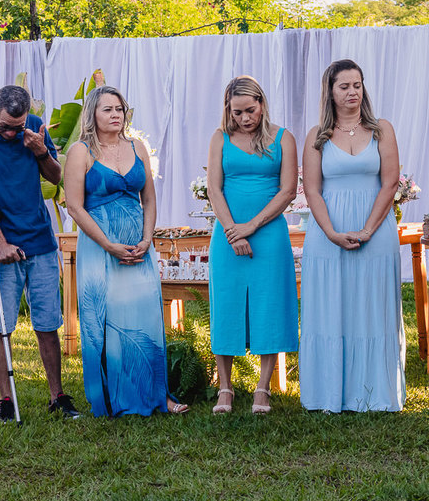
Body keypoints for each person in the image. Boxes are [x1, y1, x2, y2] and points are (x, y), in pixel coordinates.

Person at [0, 84, 83, 422]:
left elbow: (56, 178)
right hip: (0, 245)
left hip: (40, 241)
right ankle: (6, 399)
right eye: (5, 127)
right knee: (1, 326)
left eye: (18, 127)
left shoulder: (35, 126)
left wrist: (41, 150)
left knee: (48, 323)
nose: (11, 133)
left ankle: (57, 395)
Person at [63, 86, 185, 417]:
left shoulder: (137, 147)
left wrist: (147, 239)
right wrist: (107, 245)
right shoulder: (81, 151)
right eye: (108, 109)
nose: (116, 114)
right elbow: (74, 207)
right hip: (100, 248)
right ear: (93, 114)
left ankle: (158, 395)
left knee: (145, 318)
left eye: (119, 109)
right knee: (109, 320)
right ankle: (114, 397)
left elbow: (150, 199)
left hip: (139, 247)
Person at [299, 59, 406, 413]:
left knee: (372, 308)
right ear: (330, 92)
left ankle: (375, 392)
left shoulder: (382, 130)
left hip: (375, 232)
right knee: (330, 308)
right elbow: (312, 190)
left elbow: (390, 183)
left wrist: (368, 230)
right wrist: (331, 233)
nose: (352, 92)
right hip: (327, 234)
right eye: (344, 86)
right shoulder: (317, 136)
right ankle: (328, 392)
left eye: (357, 85)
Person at [205, 76, 299, 414]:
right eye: (237, 112)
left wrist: (252, 226)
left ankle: (263, 387)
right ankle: (225, 387)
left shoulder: (283, 138)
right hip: (227, 234)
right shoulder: (220, 138)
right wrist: (233, 231)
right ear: (227, 110)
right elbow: (214, 189)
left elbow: (288, 190)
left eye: (250, 110)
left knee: (268, 303)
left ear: (262, 103)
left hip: (269, 234)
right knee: (226, 304)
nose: (245, 118)